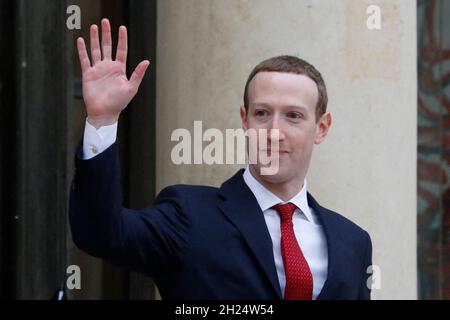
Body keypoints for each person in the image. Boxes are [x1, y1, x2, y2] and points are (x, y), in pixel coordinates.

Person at [70, 18, 372, 300]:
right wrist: (103, 120)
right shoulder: (189, 215)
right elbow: (102, 234)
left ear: (321, 128)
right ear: (245, 120)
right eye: (262, 114)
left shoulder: (353, 242)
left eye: (293, 116)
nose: (274, 132)